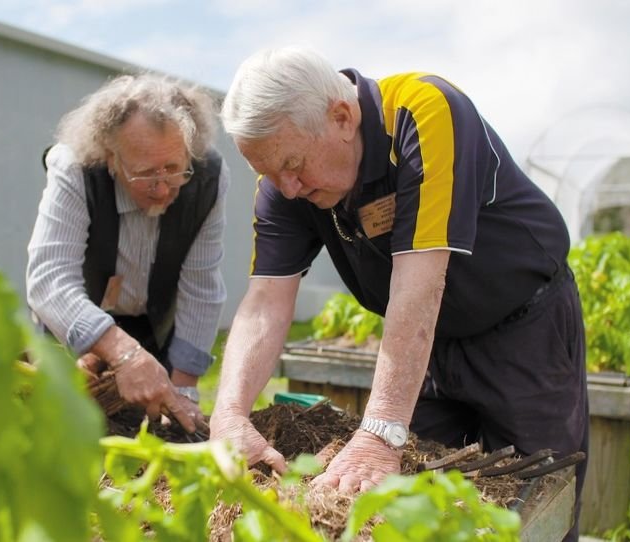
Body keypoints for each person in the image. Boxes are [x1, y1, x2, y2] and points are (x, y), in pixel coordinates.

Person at [211, 47, 589, 540]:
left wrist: (380, 431)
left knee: (534, 503)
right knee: (412, 501)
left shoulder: (423, 112)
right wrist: (229, 413)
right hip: (428, 346)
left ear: (342, 117)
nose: (286, 188)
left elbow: (421, 286)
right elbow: (264, 302)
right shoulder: (285, 182)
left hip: (523, 330)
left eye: (293, 165)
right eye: (269, 172)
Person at [26, 74, 229, 434]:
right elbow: (49, 279)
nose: (163, 188)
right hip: (74, 323)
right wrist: (121, 354)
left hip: (151, 325)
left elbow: (201, 288)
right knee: (60, 430)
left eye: (173, 169)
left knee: (149, 428)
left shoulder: (207, 178)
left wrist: (183, 388)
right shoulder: (75, 168)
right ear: (111, 158)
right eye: (146, 174)